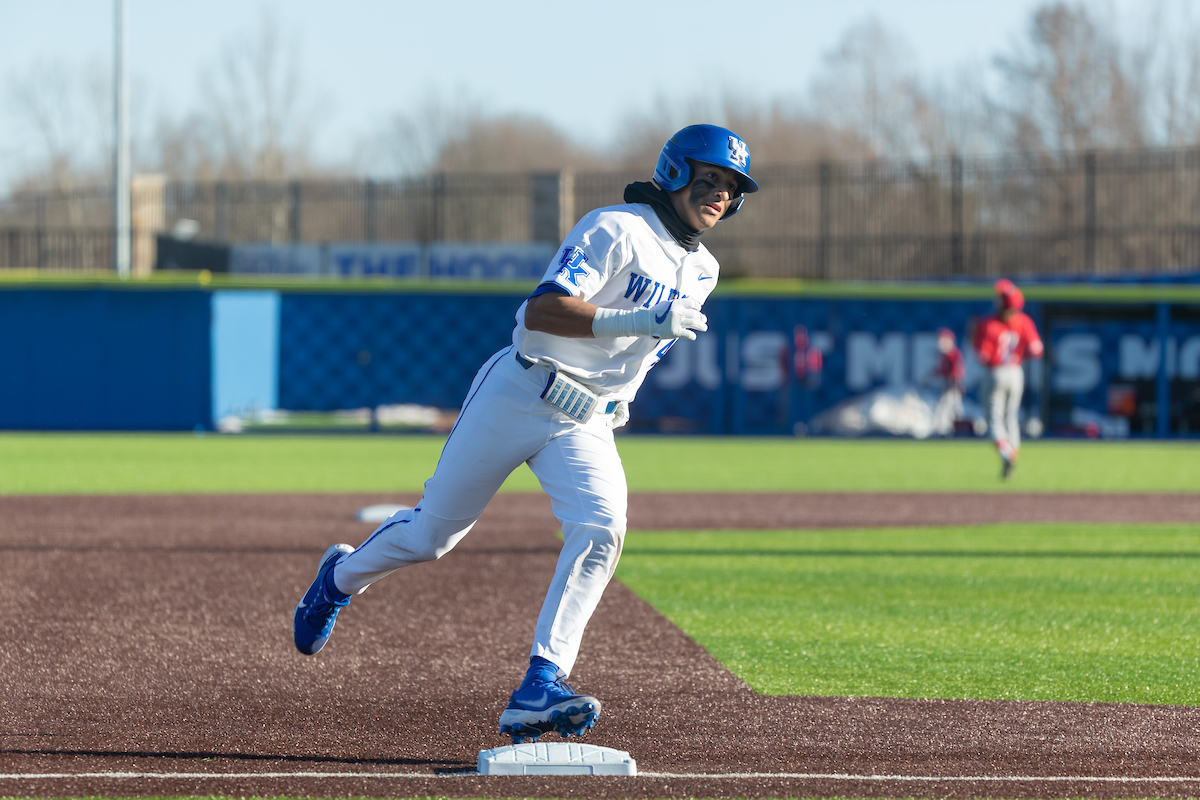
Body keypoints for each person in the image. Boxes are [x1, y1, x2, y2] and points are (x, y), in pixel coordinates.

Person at [291, 124, 758, 744]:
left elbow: (641, 354)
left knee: (603, 528)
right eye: (710, 179)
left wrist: (620, 401)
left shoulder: (705, 270)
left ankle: (542, 682)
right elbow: (541, 309)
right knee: (433, 536)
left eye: (730, 188)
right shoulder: (614, 227)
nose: (719, 195)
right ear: (675, 173)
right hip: (520, 388)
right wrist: (640, 315)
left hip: (585, 418)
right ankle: (338, 579)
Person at [972, 279, 1043, 479]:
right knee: (1011, 419)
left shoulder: (989, 324)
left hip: (996, 372)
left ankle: (1007, 454)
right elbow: (1037, 350)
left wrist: (974, 338)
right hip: (1016, 371)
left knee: (993, 422)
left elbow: (983, 356)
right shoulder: (1024, 322)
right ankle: (1013, 453)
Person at [930, 327, 965, 436]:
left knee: (949, 408)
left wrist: (957, 385)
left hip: (952, 385)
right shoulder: (944, 355)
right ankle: (945, 430)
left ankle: (947, 431)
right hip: (947, 384)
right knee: (946, 407)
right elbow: (939, 370)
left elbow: (957, 372)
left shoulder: (954, 354)